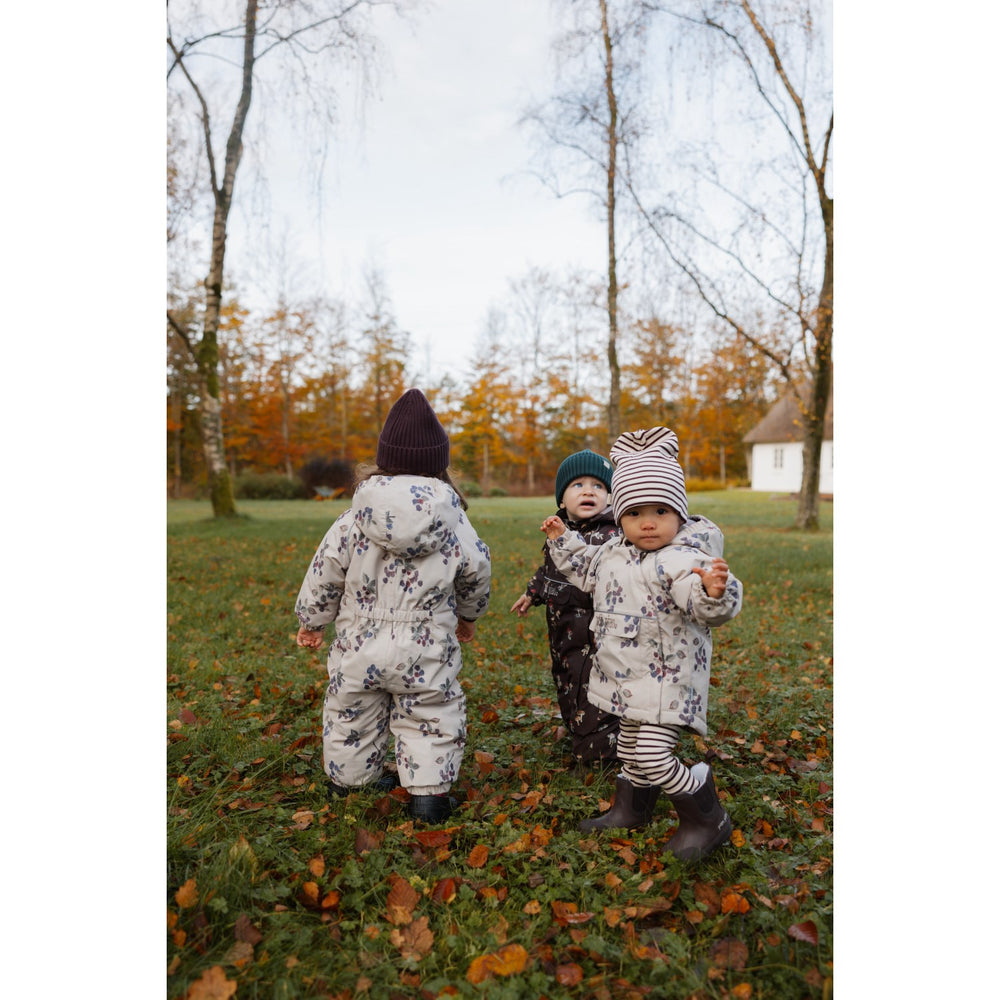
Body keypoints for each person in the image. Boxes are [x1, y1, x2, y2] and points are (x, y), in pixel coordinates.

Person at [541, 426, 742, 861]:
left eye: (660, 511)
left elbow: (701, 603)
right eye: (634, 513)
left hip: (667, 680)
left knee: (652, 753)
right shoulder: (614, 553)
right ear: (619, 517)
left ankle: (706, 815)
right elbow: (584, 565)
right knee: (629, 746)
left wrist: (713, 591)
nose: (647, 523)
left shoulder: (684, 559)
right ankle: (632, 808)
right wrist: (562, 540)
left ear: (680, 513)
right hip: (624, 676)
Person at [294, 388, 492, 824]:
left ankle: (348, 784)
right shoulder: (453, 519)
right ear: (439, 463)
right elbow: (477, 569)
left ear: (384, 458)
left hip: (359, 644)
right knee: (431, 713)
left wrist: (312, 620)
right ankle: (428, 800)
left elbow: (325, 568)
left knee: (351, 711)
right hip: (426, 644)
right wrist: (469, 615)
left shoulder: (354, 517)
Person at [510, 449, 621, 767]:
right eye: (578, 485)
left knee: (597, 687)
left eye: (598, 486)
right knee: (567, 680)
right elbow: (550, 567)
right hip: (563, 629)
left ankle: (602, 752)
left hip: (597, 634)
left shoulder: (613, 534)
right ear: (562, 498)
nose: (589, 491)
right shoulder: (559, 530)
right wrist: (533, 592)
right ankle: (579, 728)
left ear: (610, 496)